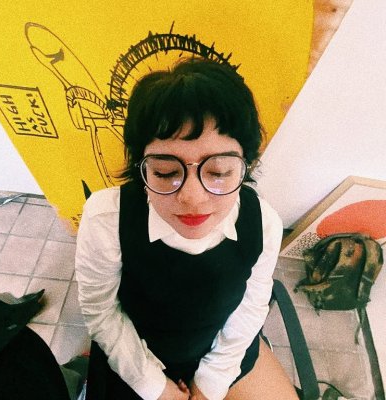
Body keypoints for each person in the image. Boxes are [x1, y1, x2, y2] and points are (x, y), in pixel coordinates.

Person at [75, 57, 299, 400]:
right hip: (139, 357)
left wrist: (209, 383)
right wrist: (157, 387)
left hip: (224, 355)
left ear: (246, 165)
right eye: (166, 173)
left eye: (218, 172)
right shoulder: (107, 217)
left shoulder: (263, 222)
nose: (192, 198)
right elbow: (101, 310)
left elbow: (252, 306)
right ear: (141, 167)